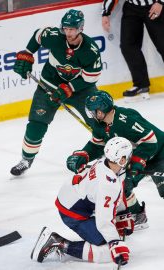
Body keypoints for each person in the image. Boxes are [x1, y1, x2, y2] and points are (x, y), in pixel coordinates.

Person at [10, 9, 102, 176]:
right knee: (36, 123)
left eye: (72, 29)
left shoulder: (90, 50)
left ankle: (112, 153)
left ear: (81, 28)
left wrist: (69, 88)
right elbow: (38, 35)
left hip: (81, 89)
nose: (68, 32)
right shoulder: (54, 36)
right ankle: (26, 159)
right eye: (65, 28)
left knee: (100, 122)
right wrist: (28, 54)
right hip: (50, 83)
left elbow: (91, 78)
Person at [67, 90, 164, 229]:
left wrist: (136, 167)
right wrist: (83, 156)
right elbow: (97, 145)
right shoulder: (100, 125)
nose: (91, 115)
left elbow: (150, 142)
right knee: (121, 186)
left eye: (92, 111)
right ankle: (138, 215)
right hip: (134, 155)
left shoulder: (127, 119)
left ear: (100, 111)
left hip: (159, 152)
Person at [31, 137, 134, 266]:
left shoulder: (105, 163)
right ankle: (58, 243)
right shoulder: (108, 186)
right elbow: (103, 220)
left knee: (113, 235)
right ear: (122, 160)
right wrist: (115, 243)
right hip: (73, 213)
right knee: (107, 252)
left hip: (71, 197)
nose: (132, 158)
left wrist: (121, 213)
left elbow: (118, 186)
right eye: (129, 156)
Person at [102, 0, 164, 101]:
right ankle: (141, 84)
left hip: (154, 5)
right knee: (128, 46)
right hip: (132, 8)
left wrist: (161, 3)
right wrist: (105, 13)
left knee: (162, 44)